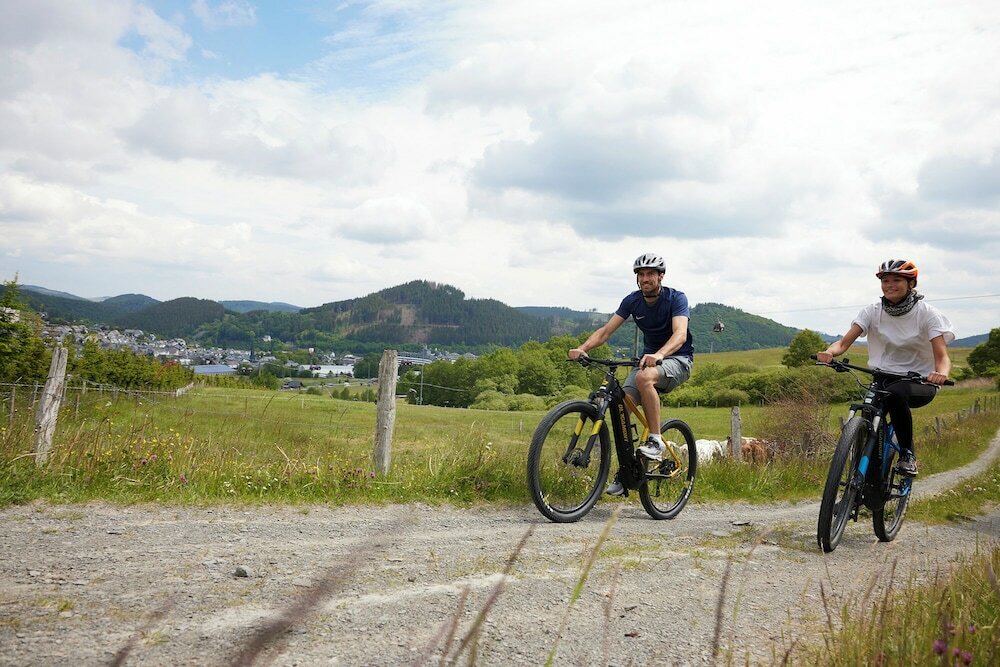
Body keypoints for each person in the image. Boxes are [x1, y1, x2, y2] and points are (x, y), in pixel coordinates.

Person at [569, 252, 694, 495]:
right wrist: (582, 348)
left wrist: (659, 355)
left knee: (644, 377)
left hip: (677, 359)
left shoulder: (676, 298)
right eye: (641, 274)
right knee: (620, 408)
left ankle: (656, 440)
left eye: (650, 274)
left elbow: (679, 335)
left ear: (661, 277)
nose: (645, 278)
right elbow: (605, 331)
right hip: (647, 361)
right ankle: (626, 472)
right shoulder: (632, 301)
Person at [816, 259, 954, 476]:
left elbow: (942, 356)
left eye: (897, 280)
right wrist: (830, 353)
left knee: (896, 394)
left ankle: (907, 454)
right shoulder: (872, 311)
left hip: (918, 381)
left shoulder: (927, 314)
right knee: (869, 408)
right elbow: (842, 343)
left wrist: (940, 374)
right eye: (885, 280)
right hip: (882, 377)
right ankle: (864, 481)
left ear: (911, 283)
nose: (889, 285)